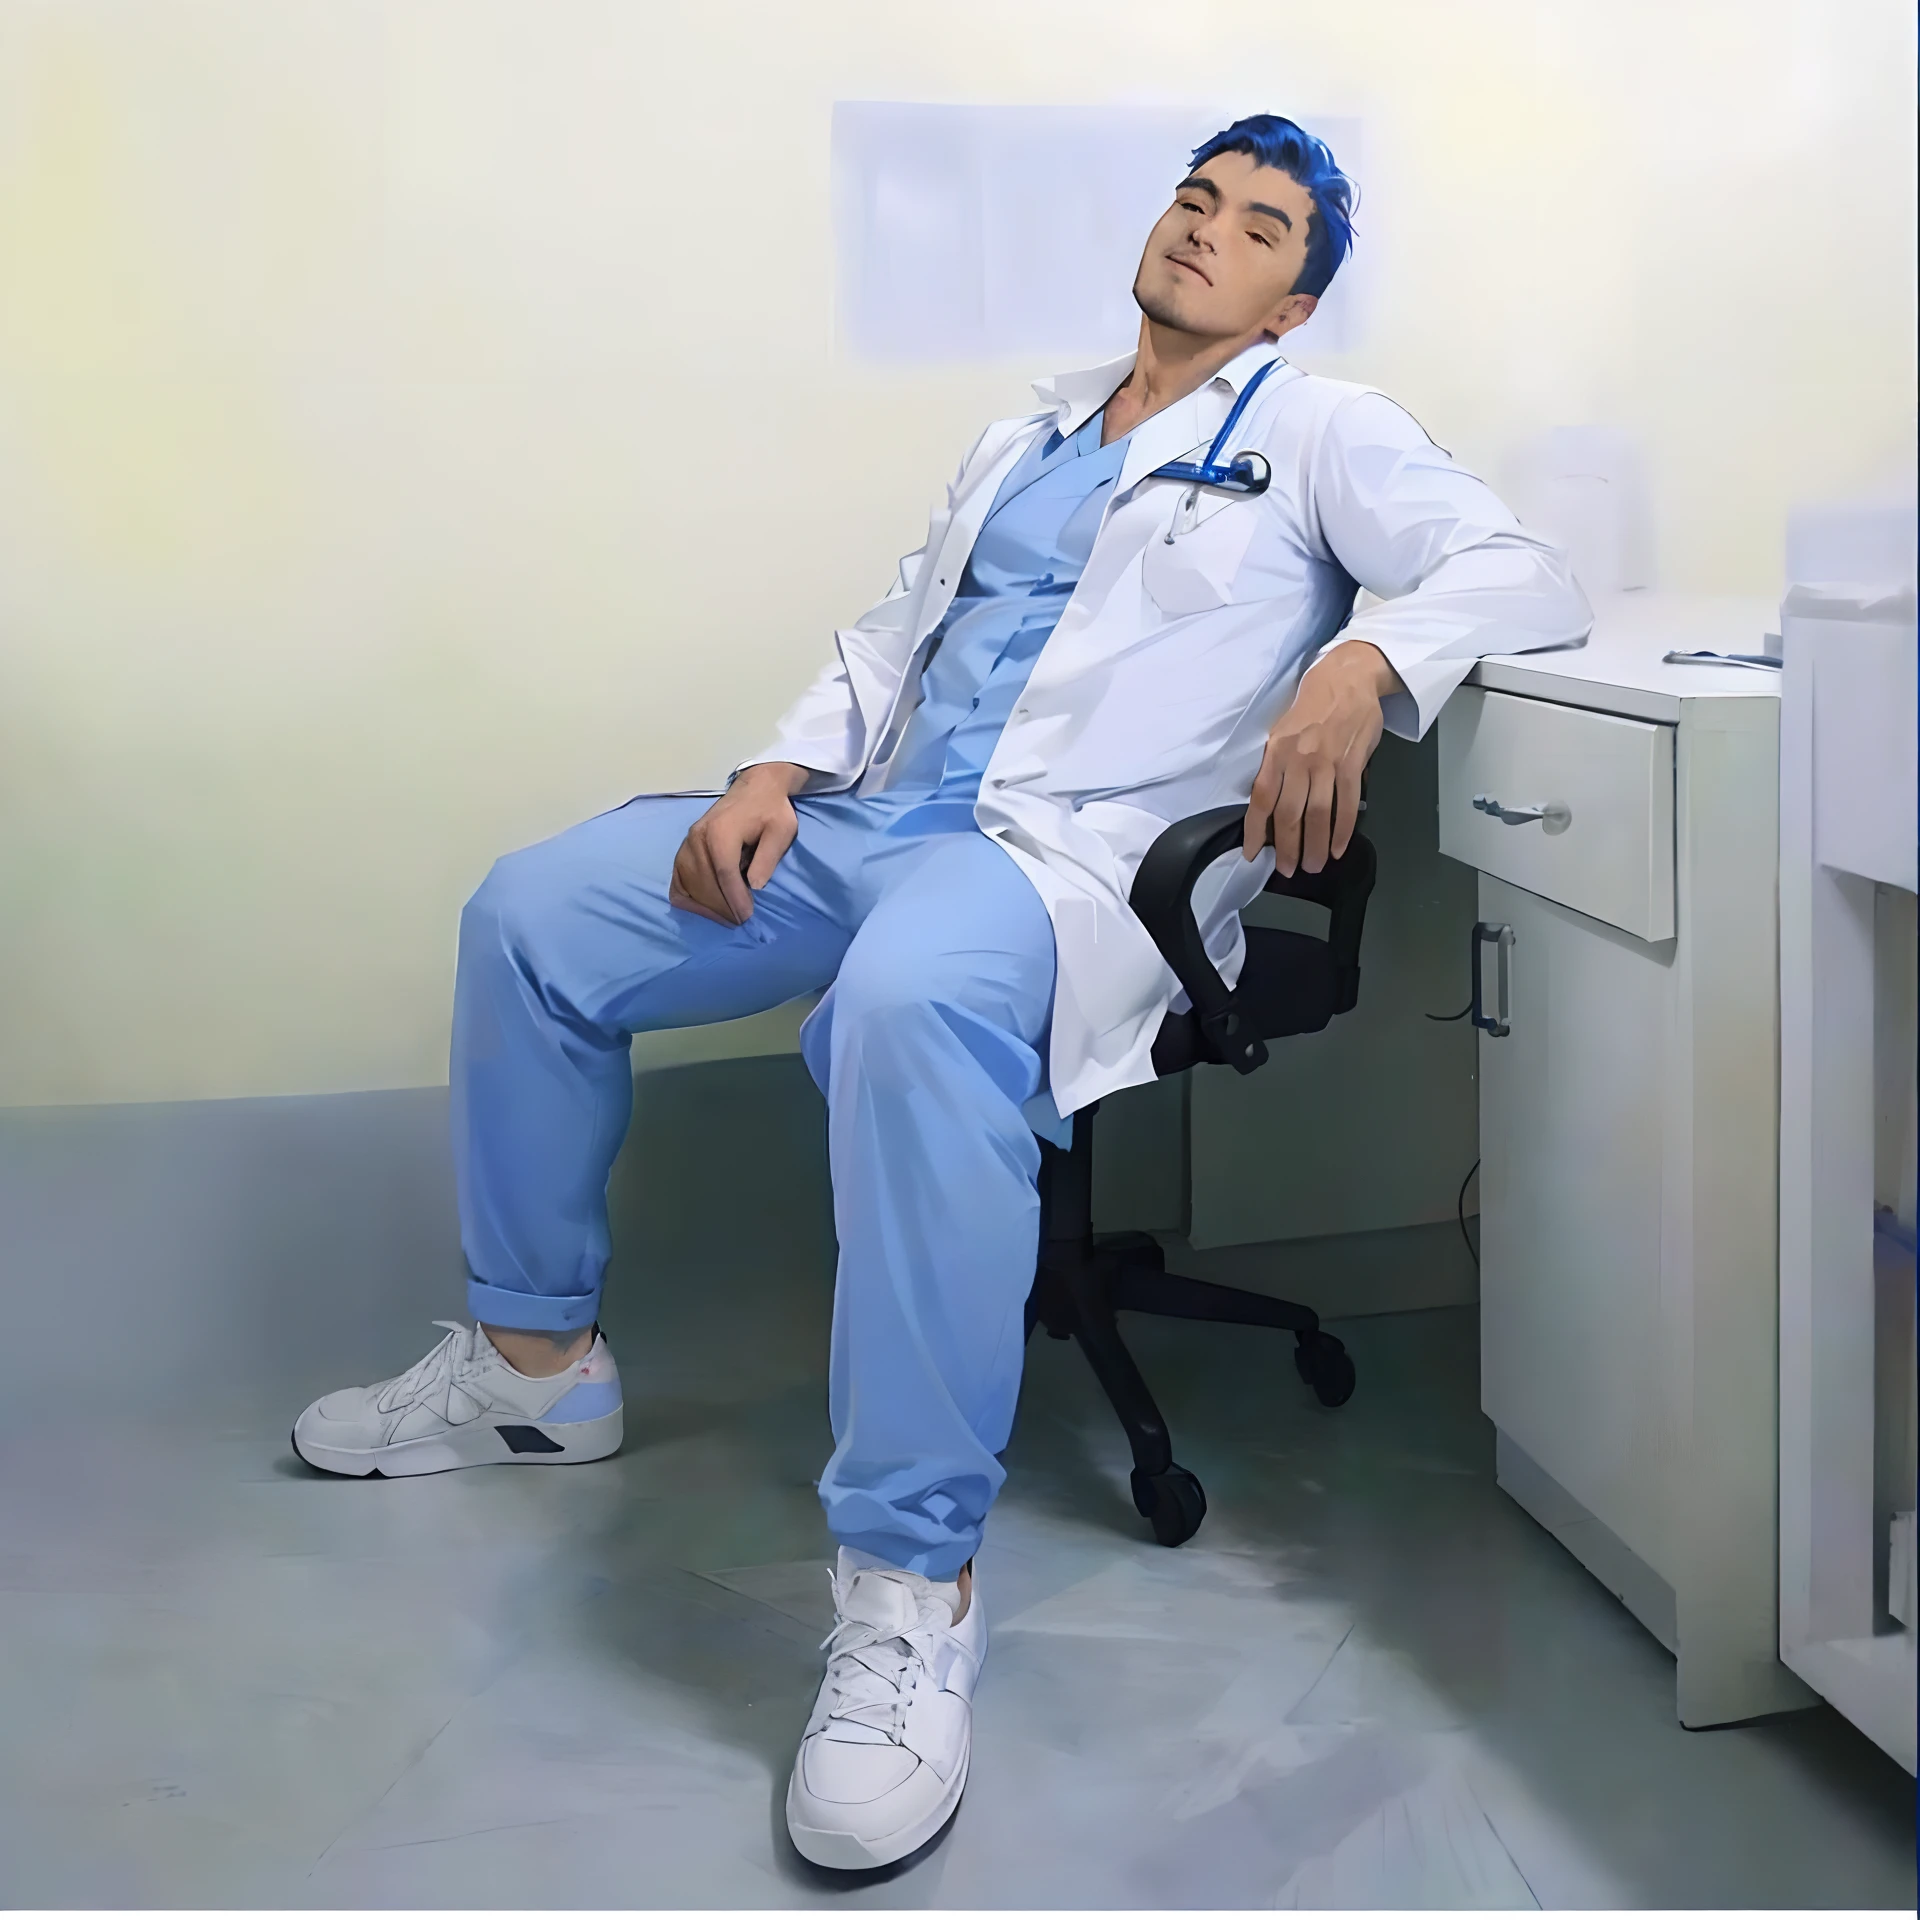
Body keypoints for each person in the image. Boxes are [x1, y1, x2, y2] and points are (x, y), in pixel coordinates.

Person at [293, 114, 1590, 1869]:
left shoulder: (1320, 430)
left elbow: (1520, 567)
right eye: (1196, 198)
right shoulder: (1030, 431)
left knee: (908, 1004)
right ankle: (538, 1362)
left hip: (1065, 858)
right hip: (879, 818)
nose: (1210, 231)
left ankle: (912, 1583)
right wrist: (774, 770)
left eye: (1260, 226)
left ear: (1295, 303)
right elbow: (894, 631)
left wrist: (1362, 659)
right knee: (535, 913)